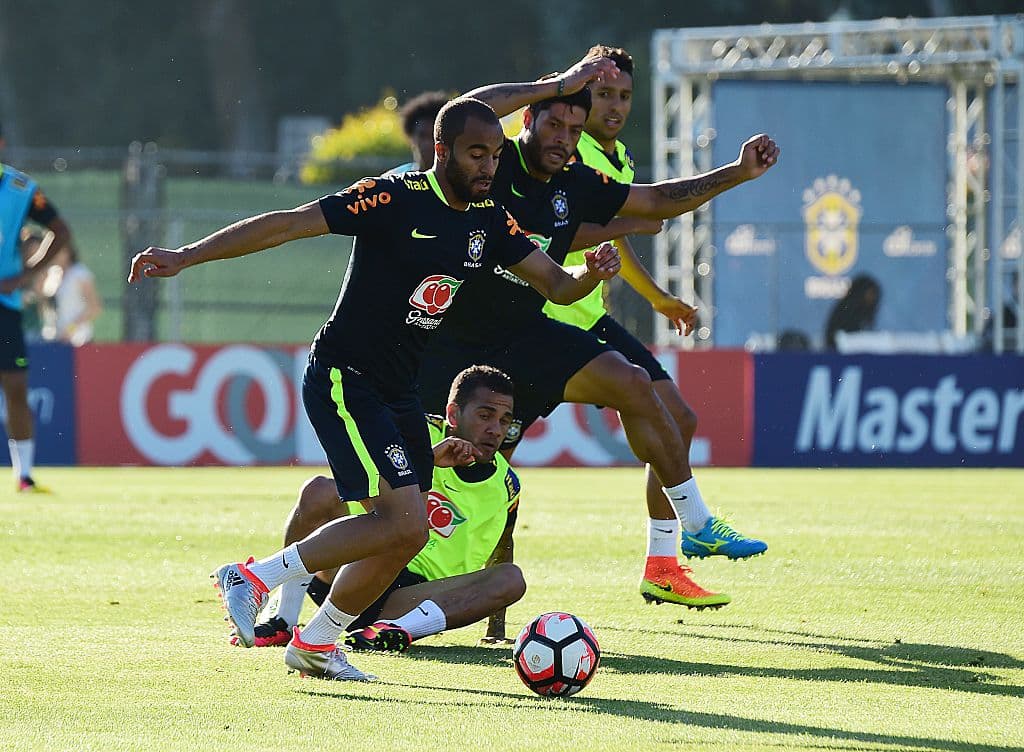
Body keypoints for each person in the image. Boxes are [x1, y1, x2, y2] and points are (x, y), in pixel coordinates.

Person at [128, 97, 621, 682]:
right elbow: (289, 223)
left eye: (494, 154)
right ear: (441, 150)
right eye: (475, 154)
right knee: (397, 520)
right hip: (346, 376)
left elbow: (557, 287)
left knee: (408, 531)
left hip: (399, 390)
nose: (489, 167)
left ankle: (316, 642)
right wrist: (186, 256)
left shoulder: (489, 219)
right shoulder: (392, 197)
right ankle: (254, 578)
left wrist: (591, 273)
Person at [417, 55, 779, 625]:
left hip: (526, 333)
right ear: (528, 121)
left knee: (633, 383)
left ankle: (696, 522)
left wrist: (737, 173)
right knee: (480, 480)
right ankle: (466, 609)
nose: (564, 138)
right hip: (450, 348)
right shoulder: (496, 159)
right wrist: (558, 84)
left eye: (573, 129)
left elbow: (656, 200)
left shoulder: (575, 181)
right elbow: (469, 109)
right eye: (554, 124)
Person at [539, 45, 735, 610]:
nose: (615, 106)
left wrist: (659, 299)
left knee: (680, 417)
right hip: (543, 318)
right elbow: (576, 233)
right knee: (485, 457)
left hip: (588, 316)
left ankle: (663, 565)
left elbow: (614, 240)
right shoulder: (568, 152)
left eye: (624, 95)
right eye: (604, 94)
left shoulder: (618, 158)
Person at [250, 365, 524, 653]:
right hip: (355, 569)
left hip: (409, 601)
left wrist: (496, 629)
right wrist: (428, 459)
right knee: (320, 490)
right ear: (454, 414)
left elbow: (502, 549)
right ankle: (283, 617)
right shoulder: (416, 431)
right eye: (485, 416)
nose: (495, 430)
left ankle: (393, 632)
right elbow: (365, 478)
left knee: (510, 578)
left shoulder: (508, 485)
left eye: (504, 421)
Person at [0, 120, 74, 492]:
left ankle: (23, 474)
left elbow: (60, 230)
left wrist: (27, 274)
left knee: (15, 386)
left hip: (4, 303)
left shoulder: (21, 188)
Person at [40, 244, 102, 346]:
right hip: (55, 339)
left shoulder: (80, 273)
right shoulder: (52, 274)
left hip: (80, 340)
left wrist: (71, 329)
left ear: (67, 252)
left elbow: (94, 307)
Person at [388, 91, 451, 174]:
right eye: (422, 136)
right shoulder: (394, 178)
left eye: (433, 137)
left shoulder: (460, 179)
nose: (427, 144)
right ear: (411, 138)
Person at [824, 274, 881, 350]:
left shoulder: (865, 311)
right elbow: (841, 339)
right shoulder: (847, 309)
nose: (872, 298)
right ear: (861, 292)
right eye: (870, 293)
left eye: (874, 294)